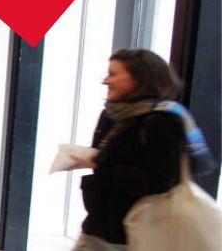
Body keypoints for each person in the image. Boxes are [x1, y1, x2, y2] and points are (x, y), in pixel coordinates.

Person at [71, 49, 214, 250]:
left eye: (113, 74)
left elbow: (160, 181)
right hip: (100, 226)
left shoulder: (162, 120)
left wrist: (102, 166)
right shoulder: (112, 114)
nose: (105, 80)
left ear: (140, 78)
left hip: (138, 233)